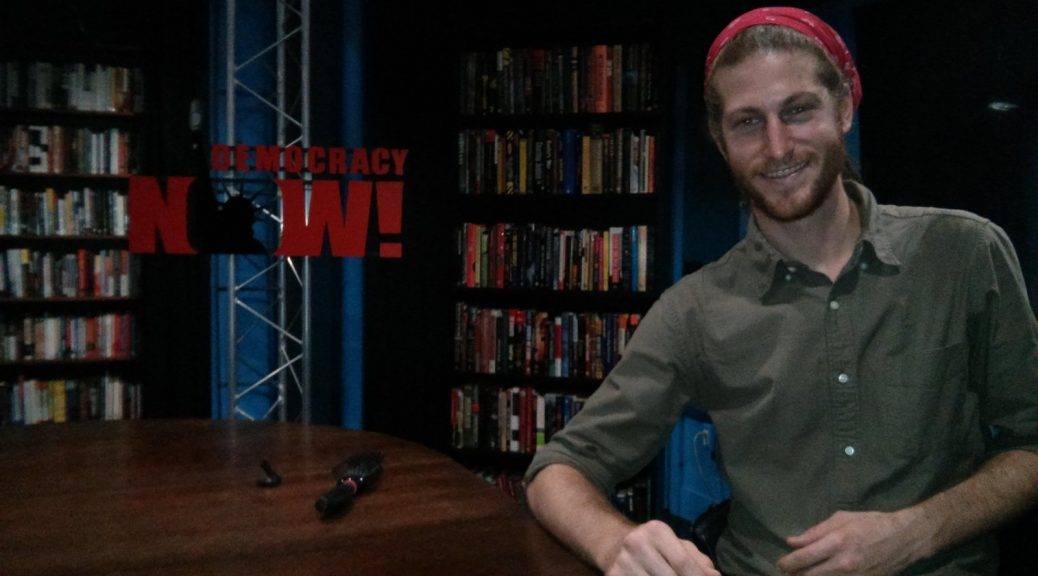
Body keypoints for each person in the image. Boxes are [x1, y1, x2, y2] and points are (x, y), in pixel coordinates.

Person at [523, 7, 1038, 575]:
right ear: (721, 142)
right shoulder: (694, 308)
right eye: (747, 122)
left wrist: (916, 530)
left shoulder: (964, 253)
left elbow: (1031, 444)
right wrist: (615, 544)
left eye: (797, 111)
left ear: (843, 108)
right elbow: (559, 469)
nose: (776, 147)